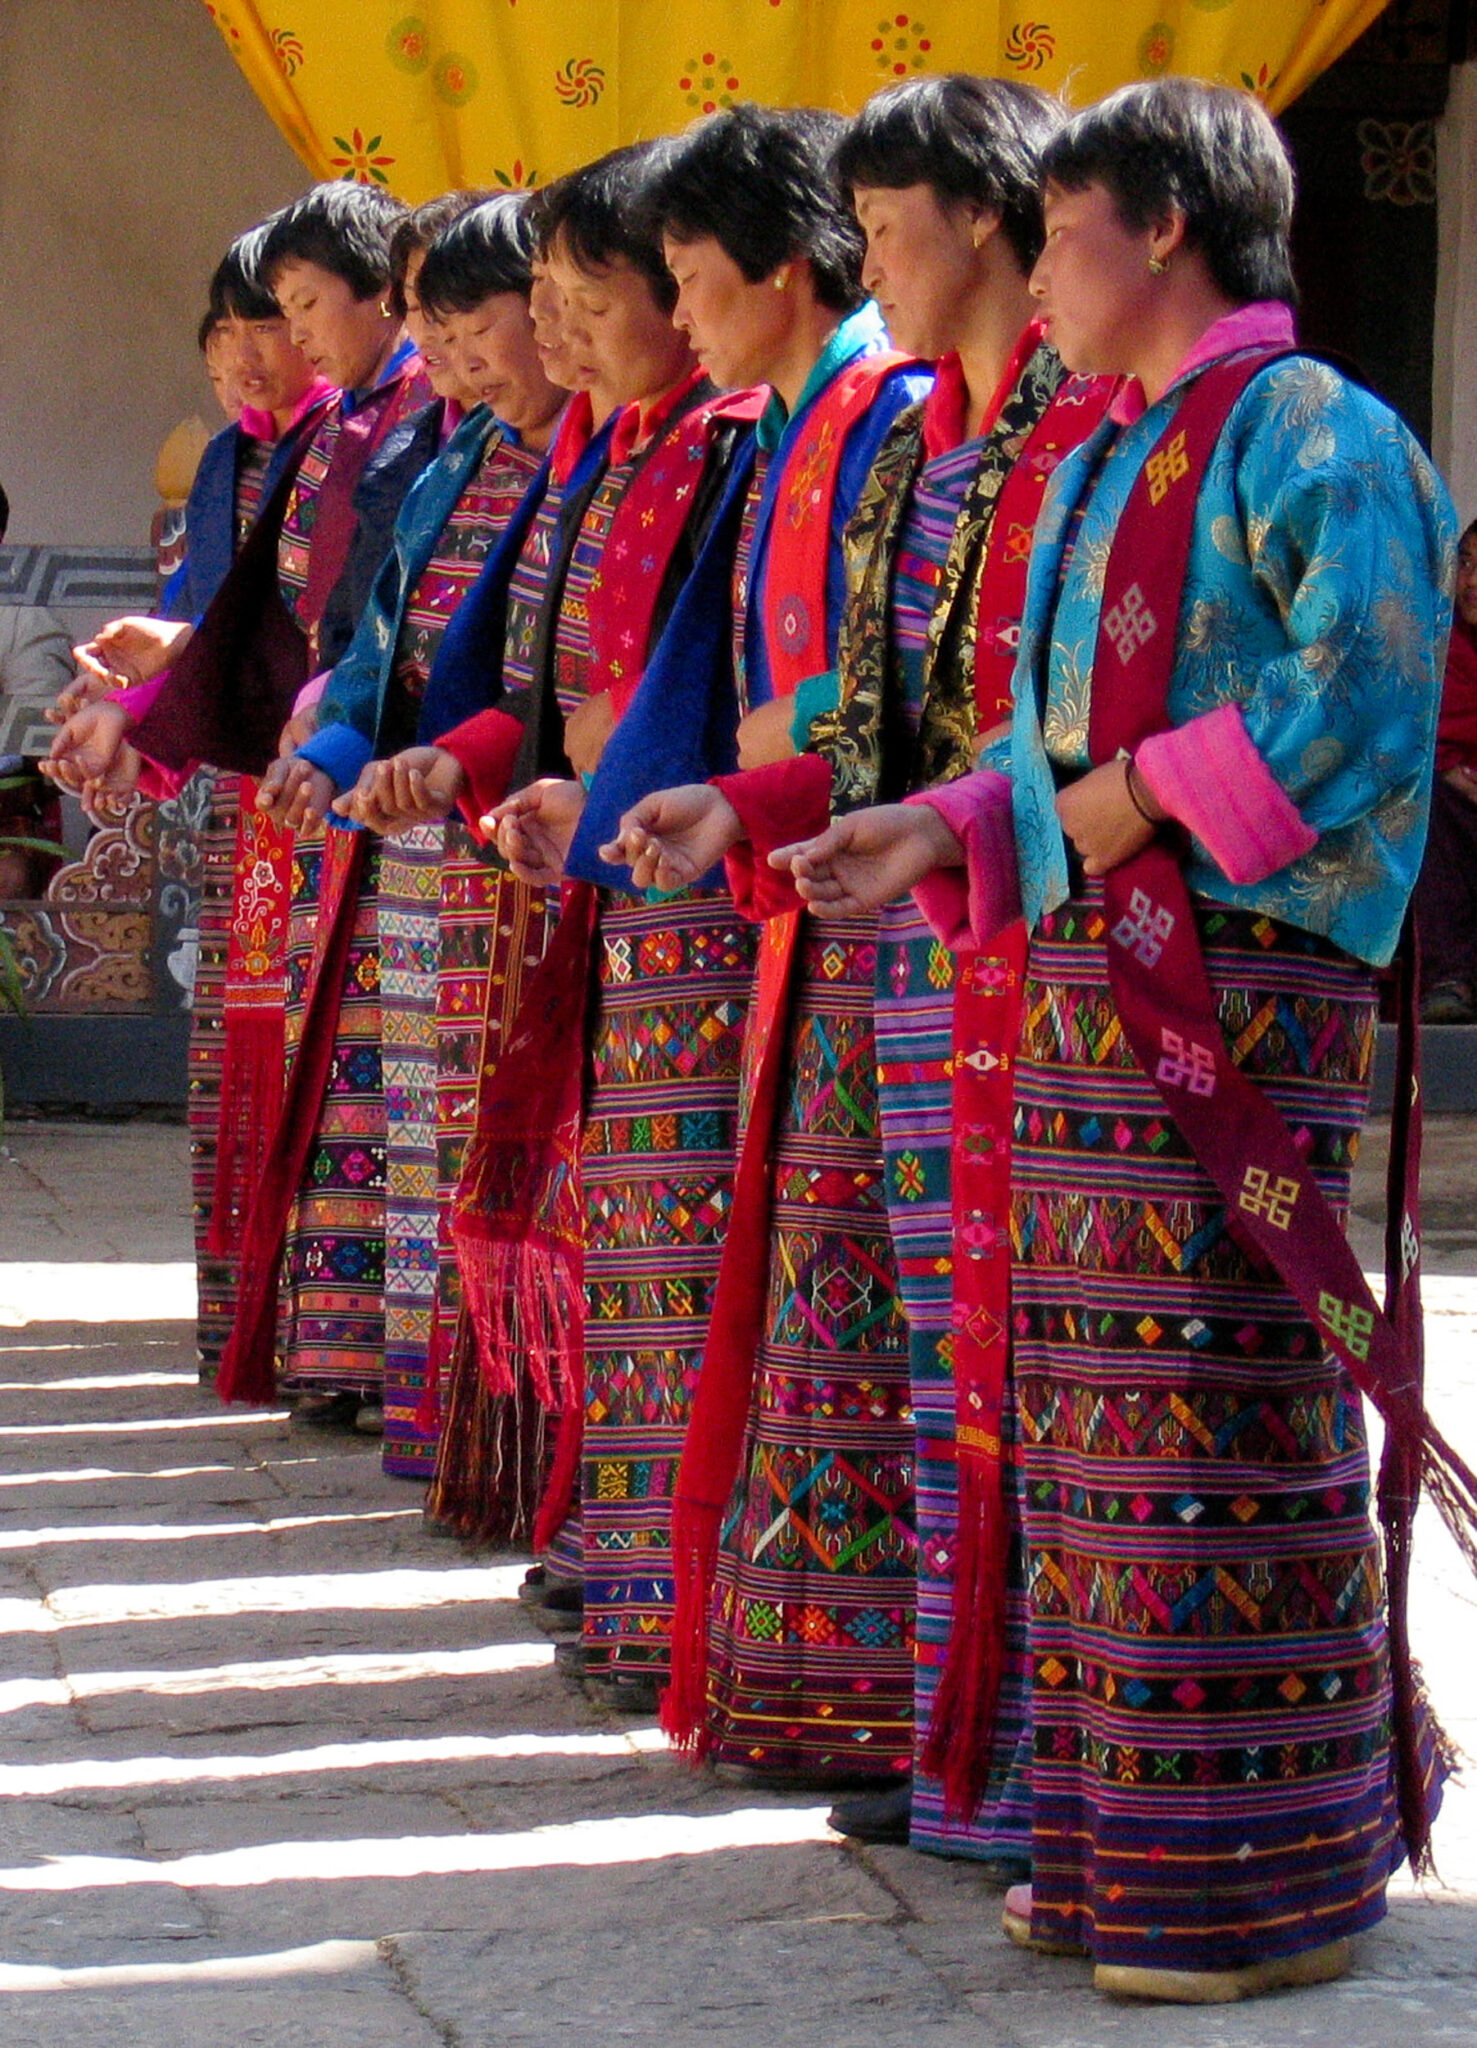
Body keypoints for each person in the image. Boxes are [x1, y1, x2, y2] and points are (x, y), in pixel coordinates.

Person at [773, 78, 1464, 2002]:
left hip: (1229, 987)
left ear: (1160, 225)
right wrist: (938, 826)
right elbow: (1038, 757)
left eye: (1060, 231)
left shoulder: (1313, 425)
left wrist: (1116, 807)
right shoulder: (1097, 463)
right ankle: (1124, 1848)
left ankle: (1254, 1874)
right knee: (1090, 1430)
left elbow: (1361, 686)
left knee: (1206, 1409)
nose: (1037, 279)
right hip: (1083, 987)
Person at [601, 102, 930, 1783]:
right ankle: (809, 1672)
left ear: (787, 273)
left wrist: (752, 787)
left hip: (892, 894)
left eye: (686, 280)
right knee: (807, 1279)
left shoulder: (893, 421)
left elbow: (893, 696)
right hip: (805, 876)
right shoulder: (785, 423)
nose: (674, 317)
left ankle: (879, 1691)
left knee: (859, 1286)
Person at [810, 73, 1115, 1857]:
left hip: (1056, 939)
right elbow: (873, 725)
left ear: (984, 219)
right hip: (921, 944)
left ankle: (1058, 1775)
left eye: (882, 229)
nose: (869, 266)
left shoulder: (1086, 431)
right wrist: (748, 803)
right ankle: (966, 1758)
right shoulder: (915, 441)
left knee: (1046, 1363)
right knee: (946, 1357)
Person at [1415, 516, 1477, 1022]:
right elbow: (1413, 729)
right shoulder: (1437, 647)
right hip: (1454, 800)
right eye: (1466, 563)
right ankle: (1450, 978)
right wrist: (1450, 767)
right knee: (1427, 804)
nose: (1472, 580)